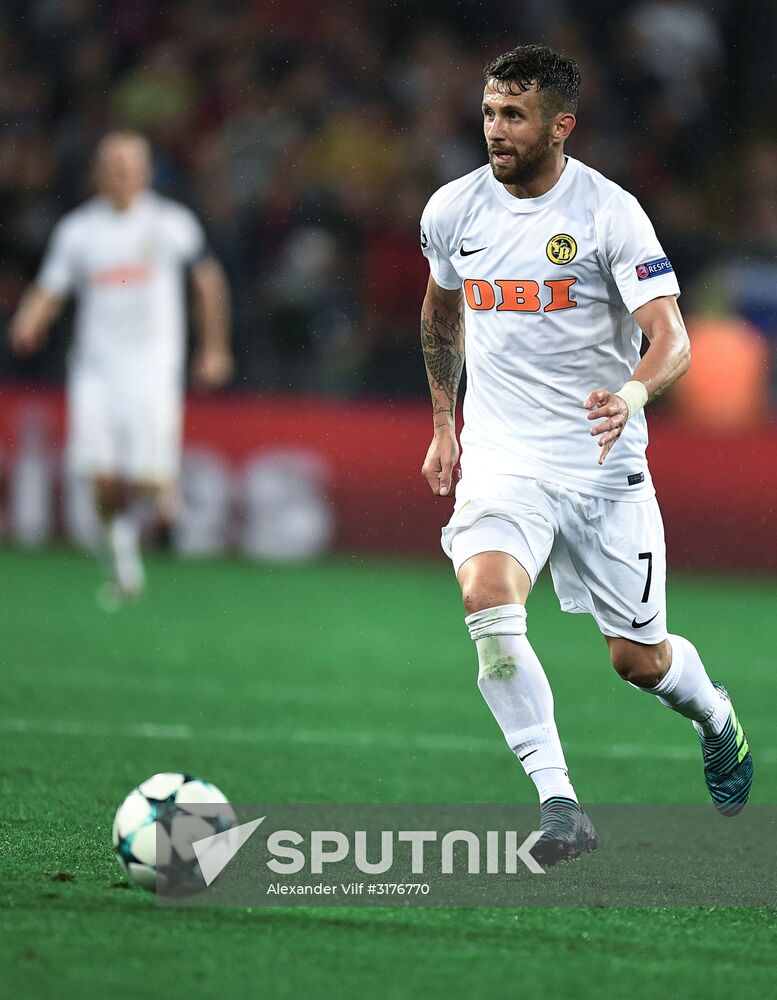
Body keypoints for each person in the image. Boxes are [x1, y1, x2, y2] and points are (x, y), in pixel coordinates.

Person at [418, 44, 753, 865]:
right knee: (488, 605)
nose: (495, 130)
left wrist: (630, 396)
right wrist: (442, 422)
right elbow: (440, 316)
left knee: (637, 662)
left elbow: (671, 339)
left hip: (603, 467)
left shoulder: (608, 213)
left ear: (559, 126)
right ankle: (559, 802)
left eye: (514, 116)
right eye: (490, 112)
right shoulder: (453, 211)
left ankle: (715, 716)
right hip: (505, 461)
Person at [10, 131, 233, 605]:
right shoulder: (78, 230)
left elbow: (208, 282)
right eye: (112, 165)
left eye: (129, 165)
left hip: (152, 367)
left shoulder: (171, 224)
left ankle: (166, 501)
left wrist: (214, 347)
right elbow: (51, 287)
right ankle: (125, 569)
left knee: (148, 478)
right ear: (99, 173)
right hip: (95, 369)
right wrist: (31, 318)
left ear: (146, 171)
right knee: (102, 477)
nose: (121, 174)